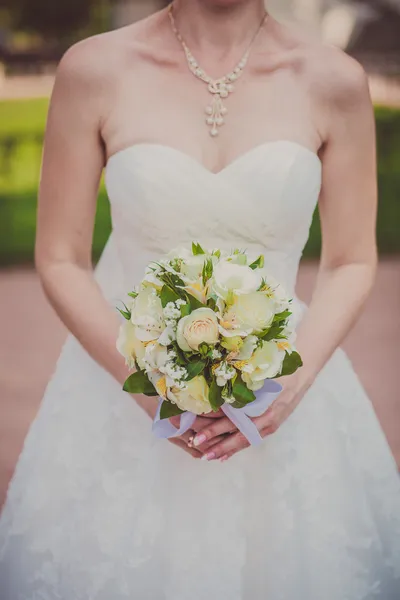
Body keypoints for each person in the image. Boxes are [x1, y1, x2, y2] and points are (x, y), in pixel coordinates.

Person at [1, 0, 400, 598]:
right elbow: (60, 256)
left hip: (286, 389)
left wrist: (286, 389)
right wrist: (145, 381)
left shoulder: (334, 80)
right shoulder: (93, 69)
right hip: (123, 394)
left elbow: (352, 259)